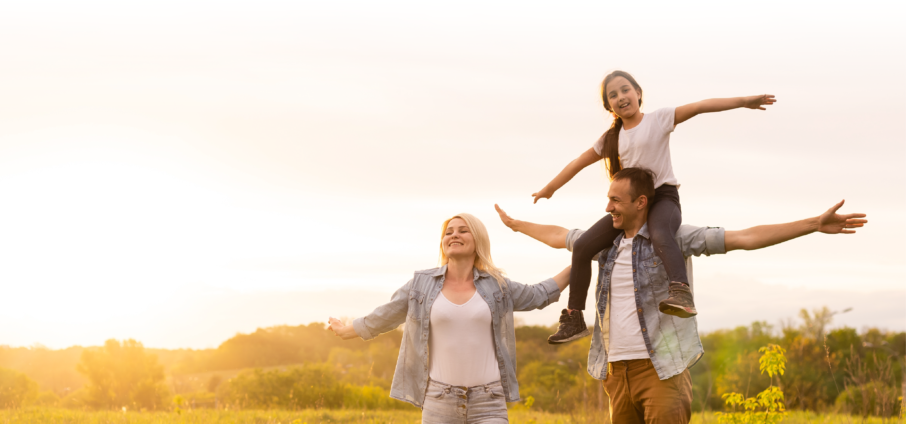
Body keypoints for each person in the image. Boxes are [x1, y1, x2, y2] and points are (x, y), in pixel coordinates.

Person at [496, 167, 867, 423]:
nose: (607, 207)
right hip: (615, 371)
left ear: (641, 202)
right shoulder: (604, 244)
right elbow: (559, 235)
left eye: (615, 200)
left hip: (661, 371)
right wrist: (516, 226)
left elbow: (744, 238)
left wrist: (813, 225)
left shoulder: (675, 238)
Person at [531, 70, 778, 344]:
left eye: (625, 90)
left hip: (662, 198)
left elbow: (699, 107)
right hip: (630, 205)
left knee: (661, 233)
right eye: (613, 95)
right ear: (608, 105)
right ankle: (574, 316)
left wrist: (744, 101)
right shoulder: (610, 139)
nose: (621, 97)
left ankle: (680, 292)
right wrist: (549, 189)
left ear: (638, 93)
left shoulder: (658, 120)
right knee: (583, 245)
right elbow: (578, 161)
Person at [326, 213, 570, 423]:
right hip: (439, 401)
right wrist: (348, 330)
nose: (454, 235)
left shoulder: (498, 286)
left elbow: (539, 295)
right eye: (448, 232)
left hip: (489, 400)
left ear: (478, 241)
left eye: (463, 231)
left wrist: (580, 259)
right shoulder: (422, 284)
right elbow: (387, 313)